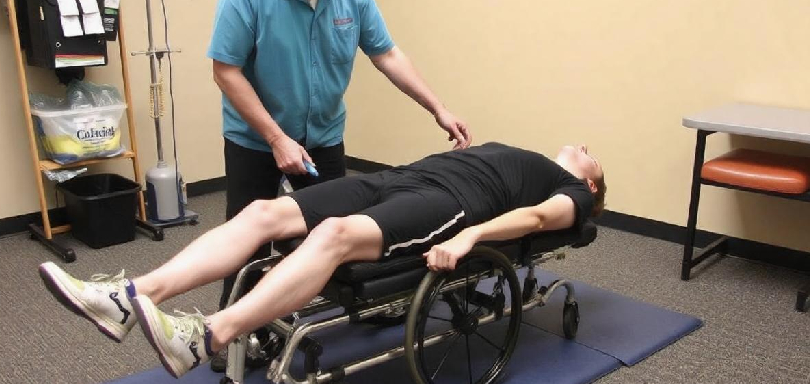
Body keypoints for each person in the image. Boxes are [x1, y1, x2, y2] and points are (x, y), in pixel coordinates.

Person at [38, 143, 605, 379]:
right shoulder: (529, 156)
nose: (581, 142)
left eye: (590, 153)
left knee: (333, 235)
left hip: (453, 207)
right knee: (265, 212)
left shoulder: (573, 195)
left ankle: (208, 335)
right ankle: (130, 297)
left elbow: (532, 222)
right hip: (403, 176)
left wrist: (468, 239)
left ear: (589, 181)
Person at [207, 0, 471, 364]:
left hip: (324, 133)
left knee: (343, 229)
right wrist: (275, 138)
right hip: (257, 136)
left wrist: (437, 107)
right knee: (250, 237)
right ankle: (232, 337)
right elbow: (225, 69)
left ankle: (363, 307)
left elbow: (385, 52)